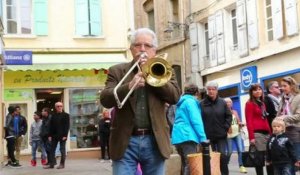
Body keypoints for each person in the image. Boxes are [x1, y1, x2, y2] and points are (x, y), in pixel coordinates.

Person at [100, 28, 181, 175]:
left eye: (147, 46)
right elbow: (105, 99)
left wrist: (153, 77)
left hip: (154, 141)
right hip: (125, 140)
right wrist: (129, 86)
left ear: (154, 50)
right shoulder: (117, 71)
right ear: (131, 49)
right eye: (137, 45)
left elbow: (175, 97)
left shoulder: (164, 70)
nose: (142, 49)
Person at [171, 83, 207, 175]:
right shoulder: (190, 102)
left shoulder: (181, 102)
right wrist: (203, 138)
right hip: (188, 136)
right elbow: (196, 121)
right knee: (190, 164)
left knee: (184, 164)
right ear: (196, 93)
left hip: (178, 137)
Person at [200, 81, 232, 175]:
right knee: (210, 158)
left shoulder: (222, 102)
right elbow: (199, 119)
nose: (211, 91)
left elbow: (228, 116)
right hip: (207, 136)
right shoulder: (202, 104)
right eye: (209, 89)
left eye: (213, 89)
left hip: (221, 135)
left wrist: (225, 128)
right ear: (206, 91)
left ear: (216, 90)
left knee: (222, 156)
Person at [245, 83, 272, 175]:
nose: (258, 91)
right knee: (259, 159)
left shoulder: (262, 103)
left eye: (259, 89)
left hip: (267, 133)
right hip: (257, 134)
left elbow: (265, 120)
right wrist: (251, 137)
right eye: (255, 90)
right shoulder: (249, 104)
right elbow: (249, 121)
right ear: (251, 92)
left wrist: (271, 133)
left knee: (269, 158)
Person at [277, 76, 300, 174]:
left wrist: (283, 118)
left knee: (295, 162)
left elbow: (298, 116)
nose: (282, 88)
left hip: (295, 131)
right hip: (284, 131)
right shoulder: (282, 98)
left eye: (284, 86)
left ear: (292, 86)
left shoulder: (298, 97)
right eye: (281, 86)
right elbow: (279, 113)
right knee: (288, 162)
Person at [224, 97, 247, 173]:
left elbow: (238, 121)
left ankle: (241, 166)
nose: (228, 103)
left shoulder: (235, 112)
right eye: (226, 102)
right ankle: (225, 164)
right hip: (228, 135)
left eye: (229, 102)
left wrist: (241, 124)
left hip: (237, 133)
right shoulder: (222, 113)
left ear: (231, 104)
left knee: (240, 150)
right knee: (230, 152)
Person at [44, 102, 70, 169]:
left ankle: (62, 164)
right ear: (55, 107)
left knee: (62, 150)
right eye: (58, 106)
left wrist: (65, 135)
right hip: (54, 135)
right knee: (52, 150)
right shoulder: (53, 115)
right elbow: (51, 126)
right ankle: (52, 164)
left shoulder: (66, 115)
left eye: (60, 106)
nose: (59, 107)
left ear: (62, 107)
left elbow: (67, 126)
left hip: (62, 135)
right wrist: (49, 135)